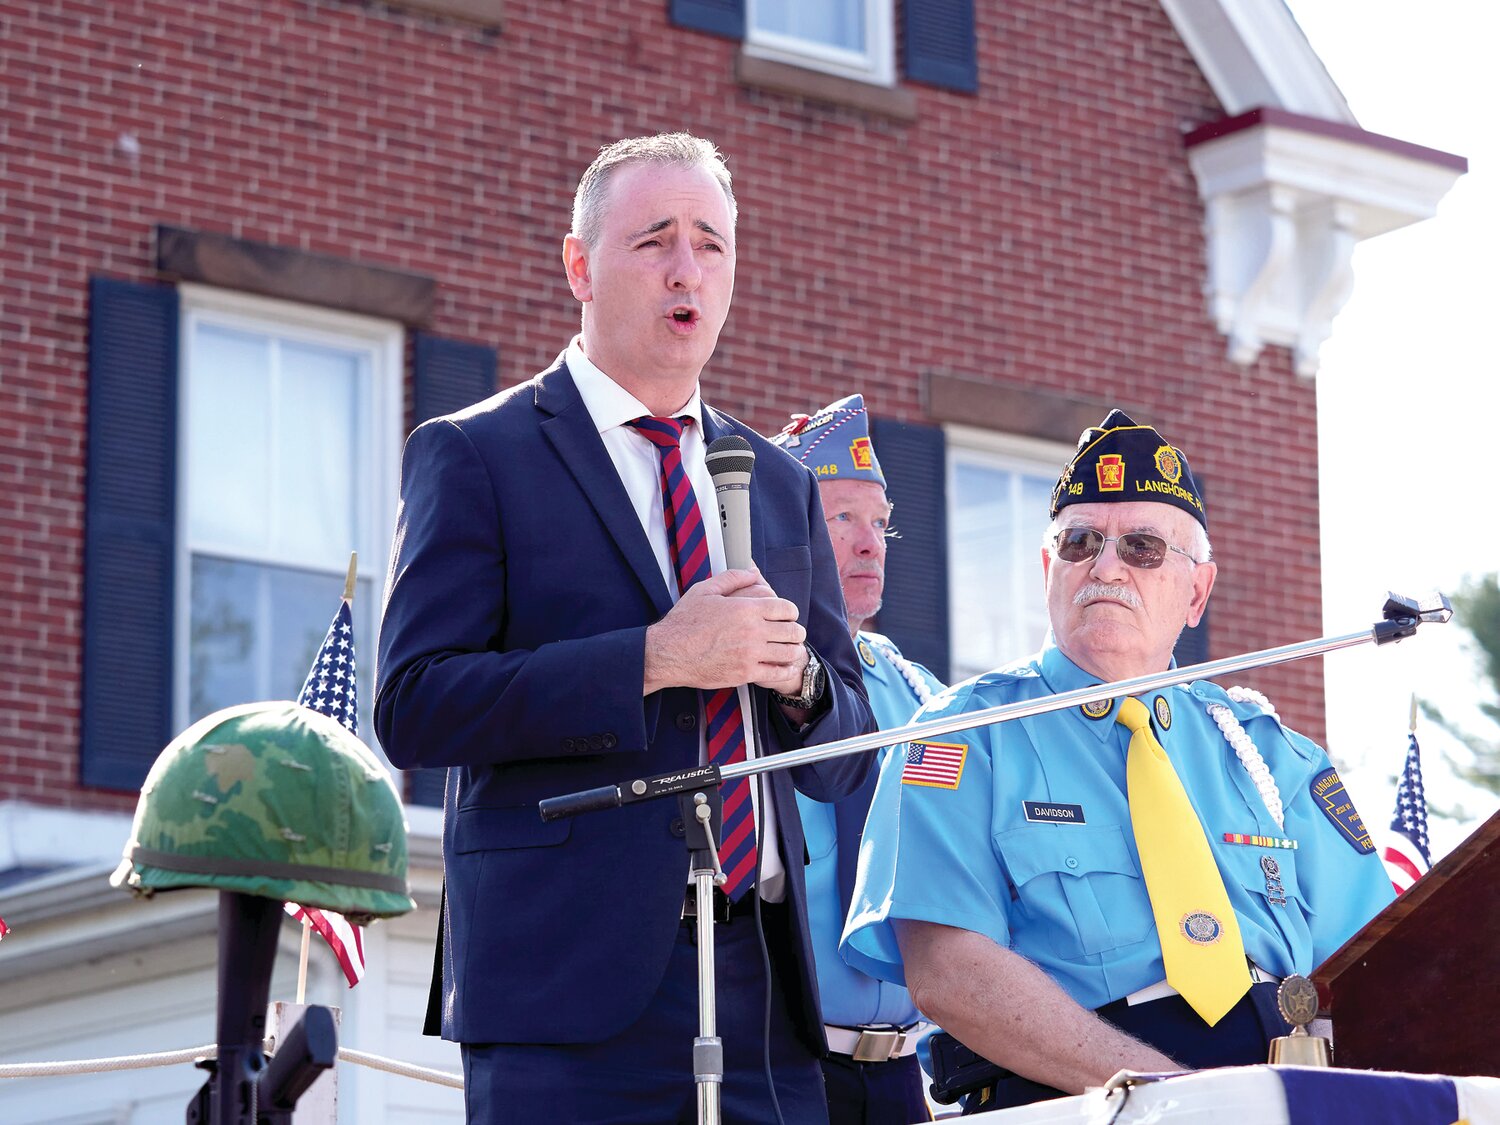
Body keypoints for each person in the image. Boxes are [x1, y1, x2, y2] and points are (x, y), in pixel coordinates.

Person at [375, 133, 874, 1124]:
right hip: (567, 999)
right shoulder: (479, 454)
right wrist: (652, 661)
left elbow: (846, 750)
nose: (687, 269)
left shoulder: (775, 484)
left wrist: (800, 684)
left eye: (712, 244)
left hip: (764, 995)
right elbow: (414, 704)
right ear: (579, 266)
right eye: (655, 240)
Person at [842, 409, 1395, 1112]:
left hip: (1282, 1094)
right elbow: (947, 968)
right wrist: (1171, 1099)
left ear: (1196, 592)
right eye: (1080, 542)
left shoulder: (1266, 752)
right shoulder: (962, 735)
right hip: (1080, 1102)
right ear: (1050, 568)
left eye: (1142, 547)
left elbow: (1386, 964)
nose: (1105, 566)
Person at [771, 395, 944, 1125]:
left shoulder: (925, 697)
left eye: (882, 522)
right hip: (783, 1067)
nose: (872, 543)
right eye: (843, 518)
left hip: (904, 1076)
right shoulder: (749, 679)